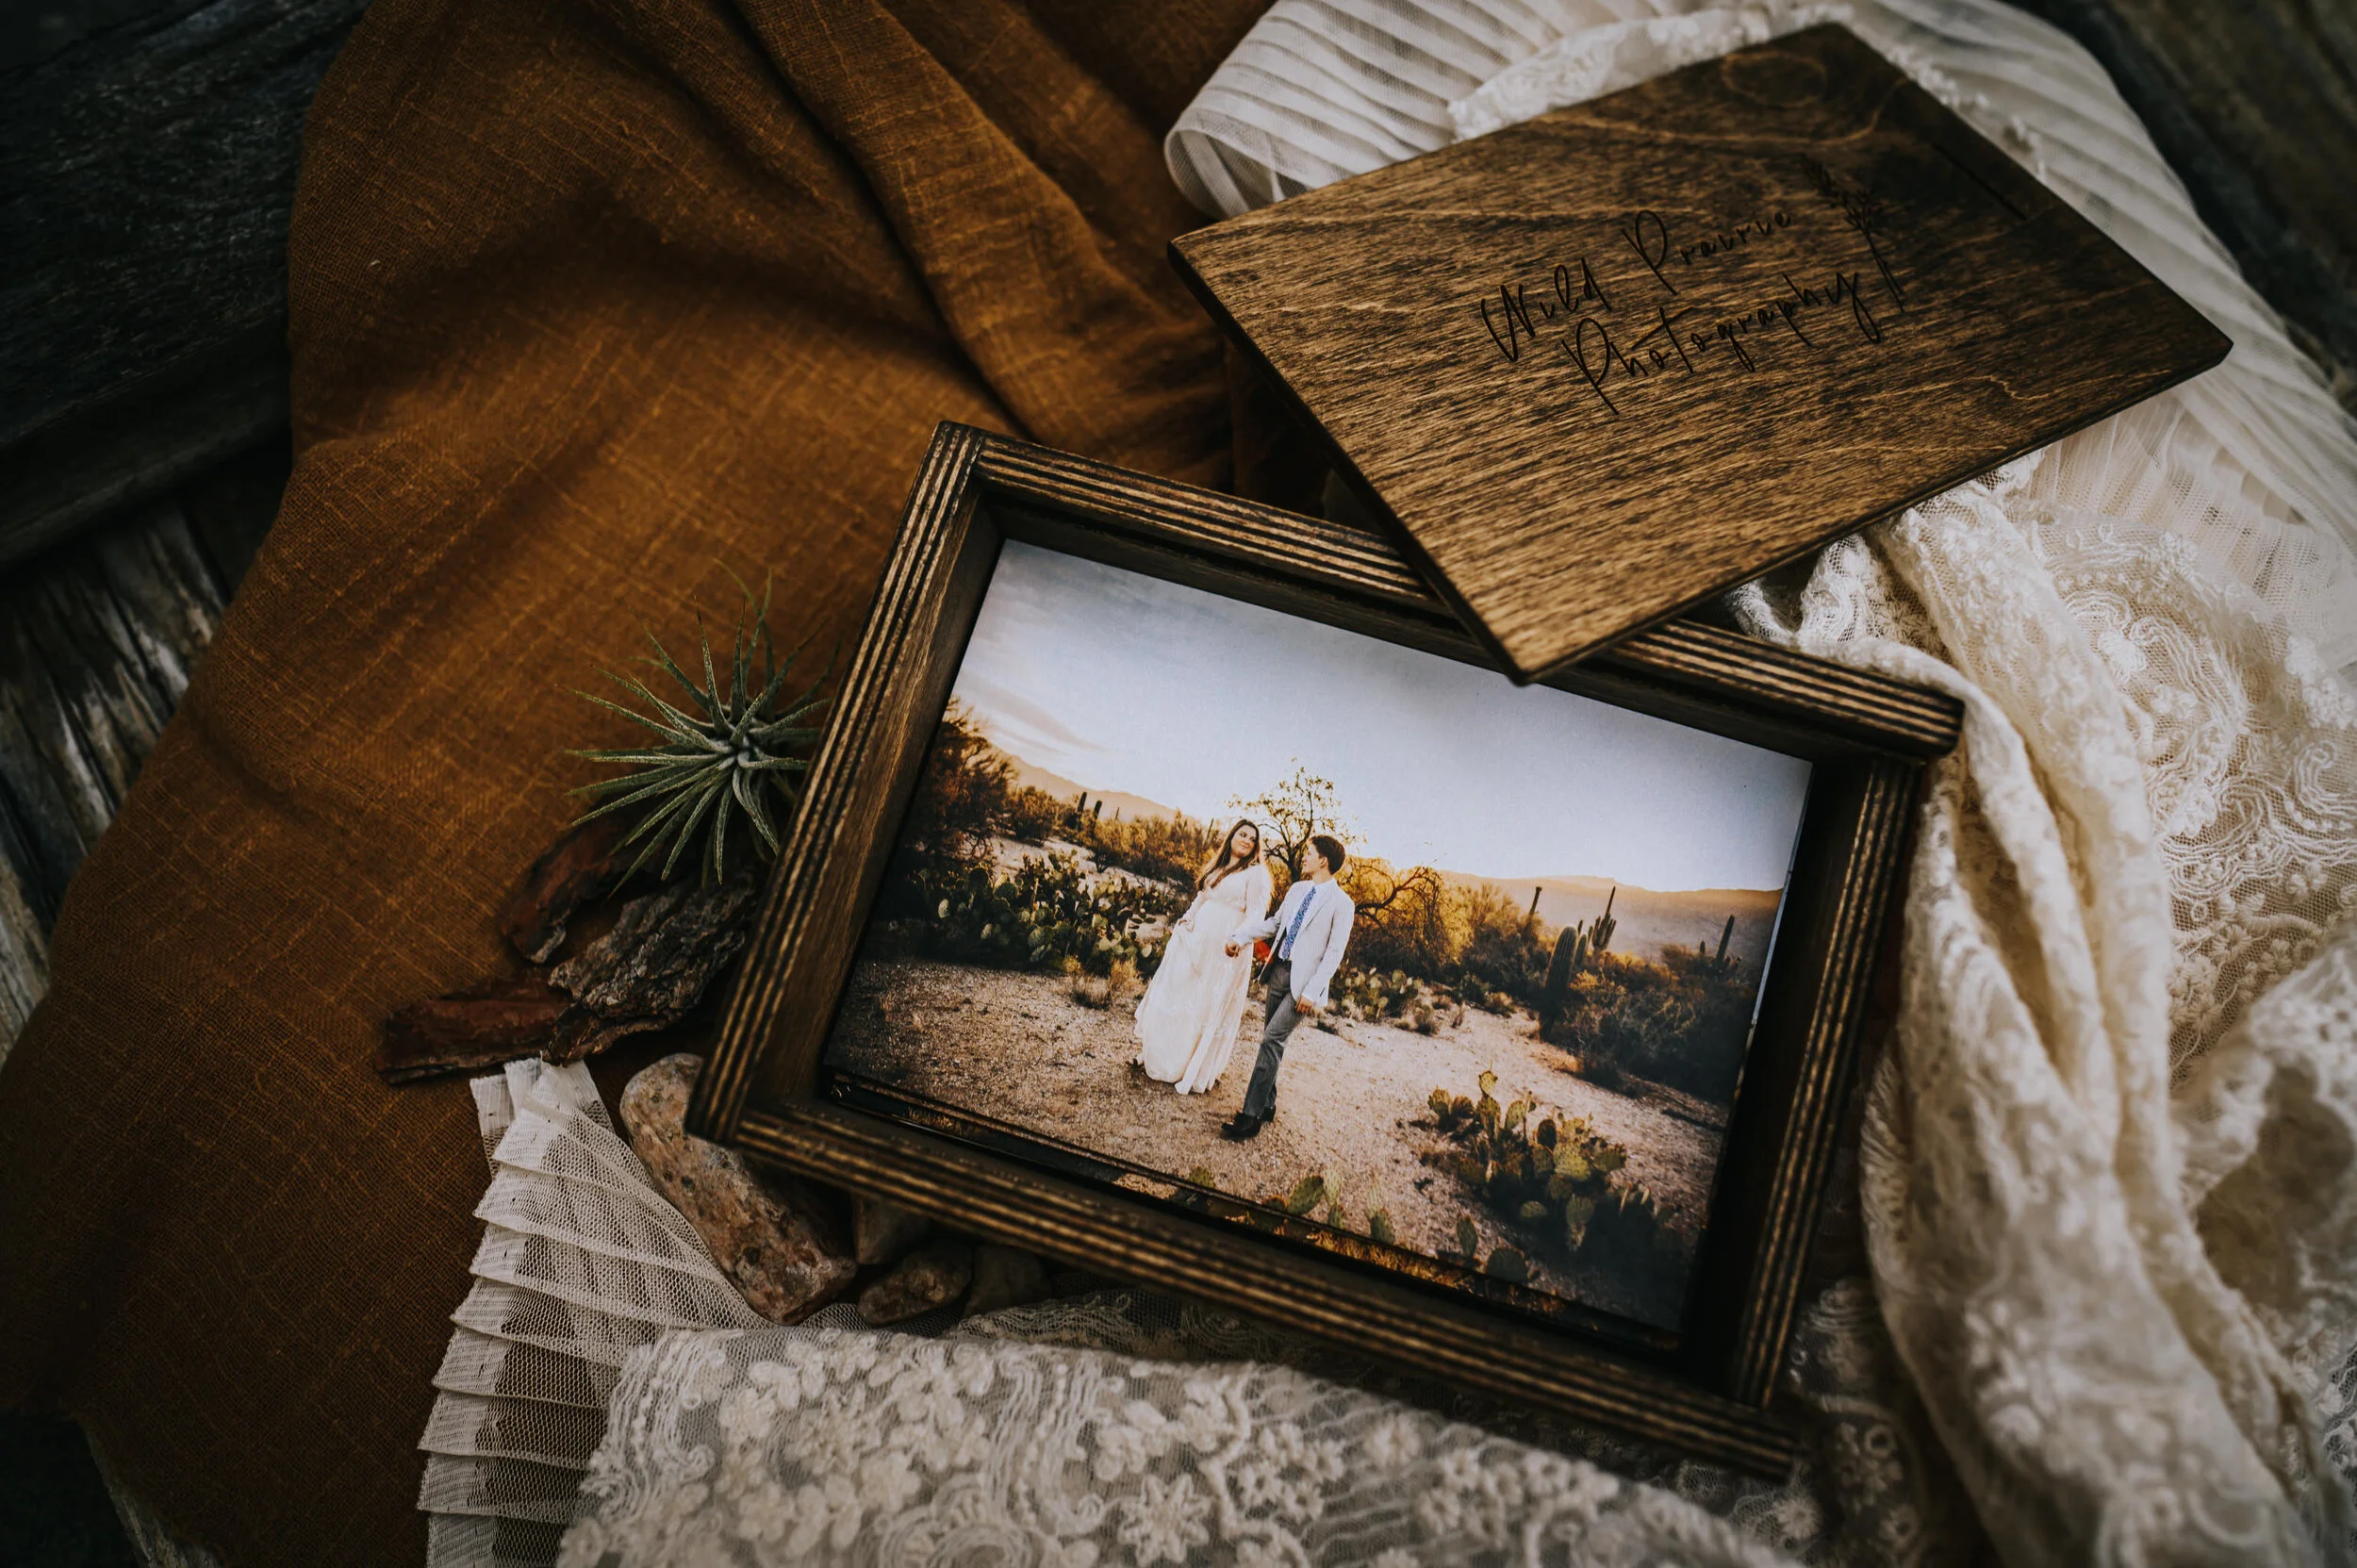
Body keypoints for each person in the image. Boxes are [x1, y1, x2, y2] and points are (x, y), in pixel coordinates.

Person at [1218, 834, 1355, 1140]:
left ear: (1324, 860)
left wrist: (1313, 990)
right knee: (1273, 1044)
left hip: (1302, 986)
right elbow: (1274, 924)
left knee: (1271, 1040)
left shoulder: (1342, 904)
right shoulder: (1297, 890)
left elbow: (1334, 953)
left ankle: (1250, 1116)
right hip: (1278, 972)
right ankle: (1268, 1104)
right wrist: (1241, 938)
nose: (1304, 857)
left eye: (1309, 853)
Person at [1133, 819, 1274, 1093]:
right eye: (1242, 834)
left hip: (1225, 948)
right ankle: (1164, 1055)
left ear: (1257, 846)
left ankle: (1191, 1067)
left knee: (1206, 1003)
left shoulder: (1255, 873)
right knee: (1181, 995)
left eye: (1252, 838)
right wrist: (1186, 919)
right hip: (1197, 939)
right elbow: (1202, 898)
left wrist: (1239, 939)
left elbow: (1257, 914)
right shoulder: (1218, 865)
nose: (1246, 840)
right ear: (1232, 836)